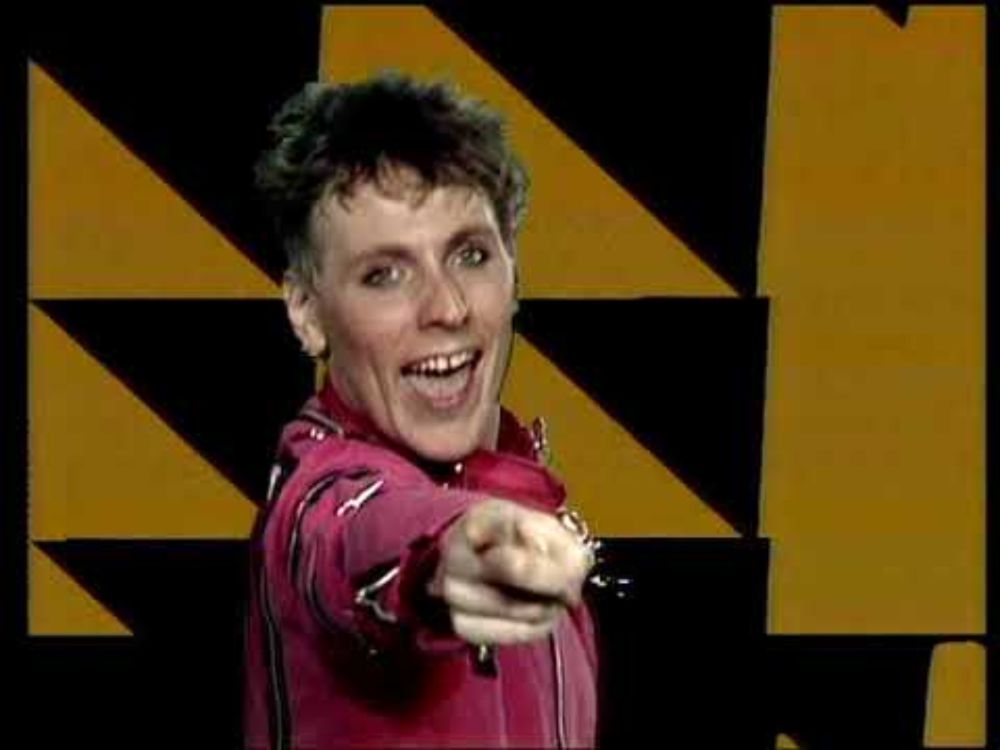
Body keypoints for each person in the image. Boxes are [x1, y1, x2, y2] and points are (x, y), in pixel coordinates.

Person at [244, 73, 598, 749]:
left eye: (470, 255)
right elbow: (361, 536)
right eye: (385, 274)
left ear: (514, 271)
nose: (448, 307)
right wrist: (443, 559)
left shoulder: (523, 500)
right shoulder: (318, 498)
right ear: (307, 312)